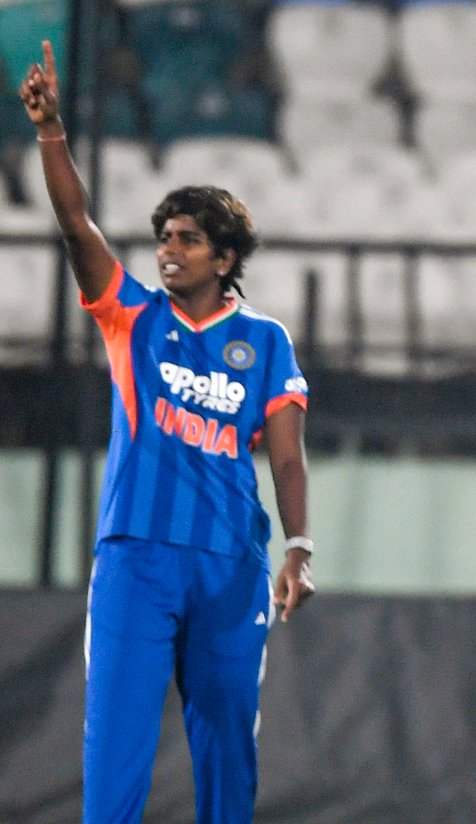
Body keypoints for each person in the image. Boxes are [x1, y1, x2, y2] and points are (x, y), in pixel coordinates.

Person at [20, 41, 315, 822]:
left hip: (230, 561)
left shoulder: (266, 342)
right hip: (136, 555)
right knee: (115, 737)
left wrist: (298, 547)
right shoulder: (133, 318)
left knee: (227, 744)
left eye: (187, 239)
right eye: (164, 237)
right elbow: (76, 224)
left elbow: (287, 459)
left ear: (224, 256)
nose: (168, 251)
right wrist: (50, 132)